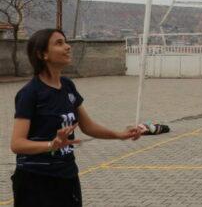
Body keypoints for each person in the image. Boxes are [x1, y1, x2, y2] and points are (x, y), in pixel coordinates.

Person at [10, 29, 141, 207]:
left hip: (67, 175)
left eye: (65, 41)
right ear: (42, 54)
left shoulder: (67, 86)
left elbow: (88, 126)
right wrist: (51, 145)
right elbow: (17, 144)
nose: (68, 47)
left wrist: (119, 135)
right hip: (35, 180)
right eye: (59, 43)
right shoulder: (30, 93)